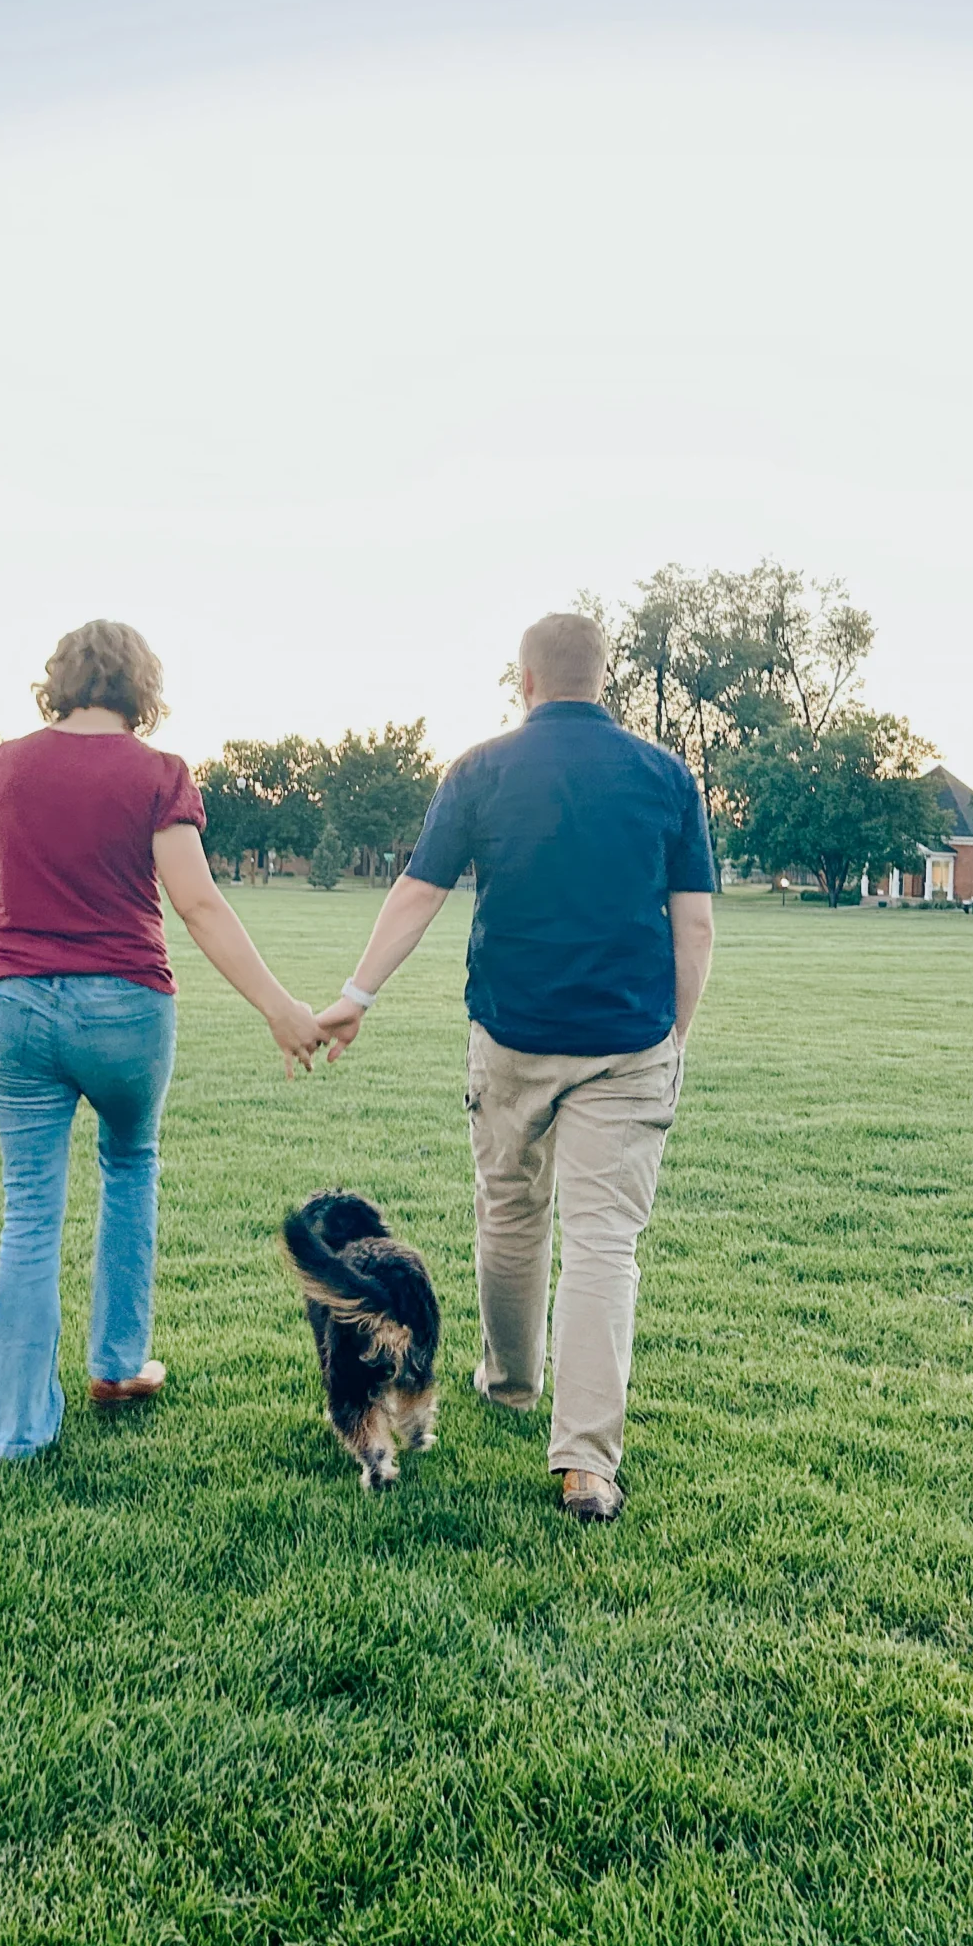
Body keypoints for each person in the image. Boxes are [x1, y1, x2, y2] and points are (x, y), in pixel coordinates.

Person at [315, 612, 716, 1523]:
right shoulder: (665, 777)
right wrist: (673, 1038)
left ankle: (508, 1382)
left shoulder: (480, 770)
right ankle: (585, 1465)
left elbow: (419, 890)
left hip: (511, 1036)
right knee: (604, 1246)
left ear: (523, 681)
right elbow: (692, 923)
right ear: (602, 679)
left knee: (509, 1214)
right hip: (629, 1039)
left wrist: (357, 994)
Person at [0, 619, 325, 1460]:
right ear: (140, 687)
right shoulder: (159, 775)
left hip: (13, 1004)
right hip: (127, 1009)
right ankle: (119, 1366)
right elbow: (196, 904)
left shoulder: (0, 769)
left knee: (29, 1212)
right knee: (129, 1167)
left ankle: (17, 1431)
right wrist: (276, 1005)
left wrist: (1, 986)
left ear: (58, 680)